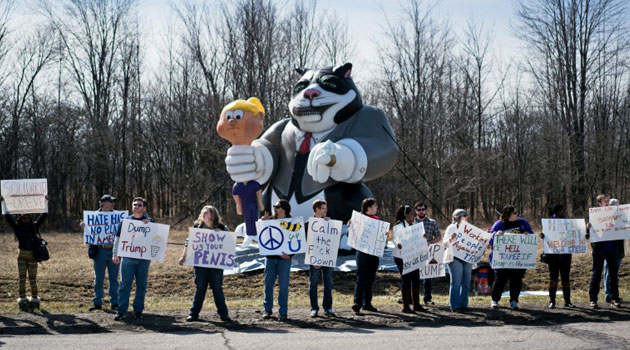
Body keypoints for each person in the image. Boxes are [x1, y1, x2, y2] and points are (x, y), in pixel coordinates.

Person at [178, 205, 231, 322]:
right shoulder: (197, 227)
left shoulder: (222, 227)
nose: (204, 214)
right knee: (200, 288)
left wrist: (222, 234)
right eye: (203, 212)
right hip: (200, 264)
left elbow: (229, 244)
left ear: (213, 215)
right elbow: (189, 242)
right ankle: (193, 314)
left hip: (216, 264)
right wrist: (183, 256)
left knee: (217, 288)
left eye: (207, 212)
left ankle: (224, 314)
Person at [2, 196, 48, 311]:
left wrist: (46, 202)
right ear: (20, 218)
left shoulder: (34, 227)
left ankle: (34, 300)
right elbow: (8, 217)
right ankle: (22, 300)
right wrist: (3, 204)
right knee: (22, 278)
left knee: (33, 279)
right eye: (24, 218)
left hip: (33, 256)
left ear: (30, 218)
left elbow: (44, 216)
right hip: (22, 256)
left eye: (28, 217)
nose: (26, 219)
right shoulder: (17, 228)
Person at [112, 197, 154, 320]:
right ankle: (121, 311)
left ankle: (138, 310)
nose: (137, 206)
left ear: (144, 208)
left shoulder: (150, 221)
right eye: (135, 204)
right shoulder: (125, 221)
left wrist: (150, 226)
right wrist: (115, 253)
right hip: (128, 258)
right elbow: (118, 239)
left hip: (143, 259)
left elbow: (155, 238)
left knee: (141, 285)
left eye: (140, 205)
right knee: (125, 285)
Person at [489, 205, 534, 310]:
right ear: (508, 214)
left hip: (519, 258)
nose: (517, 214)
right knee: (500, 280)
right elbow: (490, 237)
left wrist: (528, 234)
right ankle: (495, 300)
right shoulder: (499, 224)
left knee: (517, 280)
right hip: (503, 259)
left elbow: (531, 236)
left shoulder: (522, 222)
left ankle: (514, 301)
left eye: (517, 212)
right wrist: (496, 234)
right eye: (514, 213)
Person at [80, 194, 120, 312]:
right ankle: (97, 302)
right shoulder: (93, 217)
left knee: (114, 278)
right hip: (100, 251)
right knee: (99, 278)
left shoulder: (118, 216)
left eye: (113, 202)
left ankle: (115, 302)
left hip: (114, 250)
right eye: (110, 201)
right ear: (102, 203)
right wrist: (83, 226)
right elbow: (89, 231)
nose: (113, 204)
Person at [587, 194, 620, 308]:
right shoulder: (594, 215)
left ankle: (614, 298)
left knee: (613, 275)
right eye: (605, 201)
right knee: (596, 274)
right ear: (599, 204)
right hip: (599, 249)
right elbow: (588, 234)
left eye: (608, 200)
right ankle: (593, 299)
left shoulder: (615, 214)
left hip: (612, 248)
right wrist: (588, 228)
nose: (607, 202)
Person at [391, 204, 425, 314]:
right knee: (406, 279)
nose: (414, 216)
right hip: (401, 256)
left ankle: (417, 304)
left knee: (416, 278)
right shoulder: (398, 226)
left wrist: (423, 237)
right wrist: (399, 244)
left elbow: (420, 236)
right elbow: (396, 240)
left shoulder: (416, 224)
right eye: (412, 214)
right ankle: (406, 306)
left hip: (413, 255)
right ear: (406, 215)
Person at [262, 199, 292, 321]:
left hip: (285, 259)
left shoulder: (292, 222)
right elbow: (263, 238)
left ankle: (283, 311)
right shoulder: (269, 221)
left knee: (283, 285)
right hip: (270, 258)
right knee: (268, 284)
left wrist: (290, 255)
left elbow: (296, 240)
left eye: (277, 206)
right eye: (274, 206)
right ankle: (267, 309)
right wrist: (262, 224)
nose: (274, 208)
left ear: (284, 209)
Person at [540, 204, 574, 309]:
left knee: (566, 277)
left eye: (564, 209)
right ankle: (552, 300)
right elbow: (545, 236)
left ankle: (567, 301)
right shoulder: (549, 222)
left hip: (565, 253)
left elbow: (574, 234)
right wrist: (543, 236)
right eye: (561, 210)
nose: (564, 211)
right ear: (556, 212)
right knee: (553, 277)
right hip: (553, 254)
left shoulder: (568, 222)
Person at [352, 197, 382, 314]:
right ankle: (357, 302)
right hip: (362, 253)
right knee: (361, 278)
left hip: (373, 254)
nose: (377, 208)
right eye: (375, 206)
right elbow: (352, 233)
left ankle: (367, 303)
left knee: (370, 279)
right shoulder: (359, 219)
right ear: (368, 208)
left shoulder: (377, 219)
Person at [308, 199, 336, 317]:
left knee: (328, 283)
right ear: (317, 210)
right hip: (314, 259)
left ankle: (328, 308)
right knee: (313, 283)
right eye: (323, 208)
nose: (326, 211)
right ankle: (314, 308)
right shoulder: (309, 224)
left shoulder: (329, 222)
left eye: (326, 208)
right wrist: (313, 259)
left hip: (327, 257)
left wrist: (330, 224)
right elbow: (308, 243)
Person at [443, 209, 472, 312]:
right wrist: (450, 238)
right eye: (464, 215)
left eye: (466, 215)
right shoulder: (451, 228)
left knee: (466, 283)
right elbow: (444, 244)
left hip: (467, 258)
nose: (467, 217)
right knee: (456, 282)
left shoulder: (469, 229)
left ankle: (464, 304)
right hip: (454, 258)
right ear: (458, 217)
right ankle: (454, 306)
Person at [414, 202, 441, 305]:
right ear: (415, 211)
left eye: (423, 209)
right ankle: (413, 298)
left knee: (427, 277)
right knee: (414, 277)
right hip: (414, 252)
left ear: (425, 210)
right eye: (419, 210)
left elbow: (438, 236)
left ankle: (427, 298)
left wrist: (431, 242)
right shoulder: (412, 222)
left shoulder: (432, 222)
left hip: (429, 252)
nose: (421, 211)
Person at [604, 198, 624, 304]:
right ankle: (608, 294)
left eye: (616, 205)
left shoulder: (622, 217)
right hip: (608, 249)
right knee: (608, 272)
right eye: (612, 204)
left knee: (614, 273)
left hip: (619, 249)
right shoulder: (604, 217)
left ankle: (613, 294)